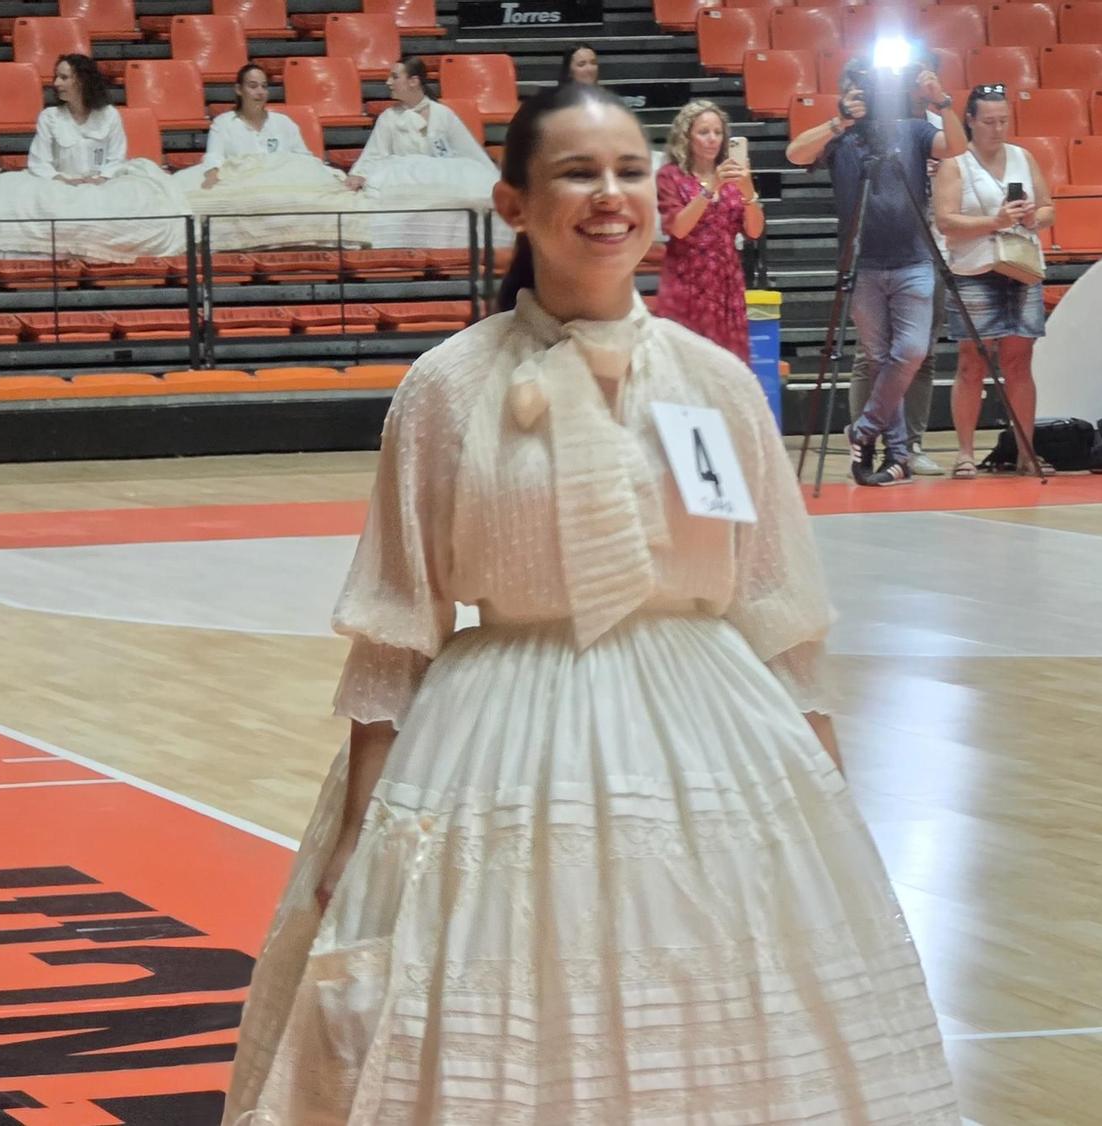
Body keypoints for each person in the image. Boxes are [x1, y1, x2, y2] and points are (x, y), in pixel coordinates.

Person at [223, 81, 958, 1123]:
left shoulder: (714, 383)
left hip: (712, 735)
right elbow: (398, 622)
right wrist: (353, 835)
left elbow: (776, 610)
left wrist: (829, 800)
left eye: (626, 171)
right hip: (494, 739)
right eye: (575, 171)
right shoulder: (446, 389)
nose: (609, 194)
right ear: (512, 204)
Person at [785, 58, 967, 486]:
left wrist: (940, 101)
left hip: (914, 260)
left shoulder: (912, 128)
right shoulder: (841, 137)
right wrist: (839, 121)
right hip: (862, 264)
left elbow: (957, 147)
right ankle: (897, 456)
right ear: (845, 95)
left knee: (910, 353)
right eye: (857, 91)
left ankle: (864, 431)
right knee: (882, 359)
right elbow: (795, 154)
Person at [932, 84, 1054, 476]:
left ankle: (1025, 451)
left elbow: (1050, 208)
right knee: (972, 362)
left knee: (1020, 361)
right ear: (970, 120)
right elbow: (946, 222)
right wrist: (994, 222)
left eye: (1003, 120)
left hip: (1020, 267)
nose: (997, 128)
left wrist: (1034, 216)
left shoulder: (1023, 157)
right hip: (974, 270)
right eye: (988, 121)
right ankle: (965, 452)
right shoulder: (956, 163)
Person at [0, 54, 187, 261]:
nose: (57, 83)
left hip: (104, 183)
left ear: (83, 80)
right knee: (25, 198)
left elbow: (116, 157)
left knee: (140, 200)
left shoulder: (110, 115)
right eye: (57, 77)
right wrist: (63, 180)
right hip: (59, 184)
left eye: (64, 77)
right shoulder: (50, 117)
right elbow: (39, 162)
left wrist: (101, 179)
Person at [182, 63, 366, 250]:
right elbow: (214, 156)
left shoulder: (283, 123)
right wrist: (213, 175)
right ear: (239, 89)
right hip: (243, 181)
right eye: (253, 86)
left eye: (264, 86)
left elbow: (303, 159)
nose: (260, 92)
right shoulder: (224, 123)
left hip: (281, 182)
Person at [347, 57, 501, 248]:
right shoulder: (389, 117)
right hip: (406, 179)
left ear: (414, 81)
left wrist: (493, 179)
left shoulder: (443, 114)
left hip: (442, 180)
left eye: (395, 77)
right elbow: (374, 152)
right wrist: (359, 173)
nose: (388, 82)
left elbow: (468, 149)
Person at [655, 99, 763, 362]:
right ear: (687, 137)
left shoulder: (735, 176)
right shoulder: (670, 176)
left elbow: (754, 231)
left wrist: (749, 194)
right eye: (704, 132)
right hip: (686, 280)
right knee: (686, 365)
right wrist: (710, 187)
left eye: (718, 132)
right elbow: (678, 228)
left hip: (726, 282)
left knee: (729, 365)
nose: (712, 139)